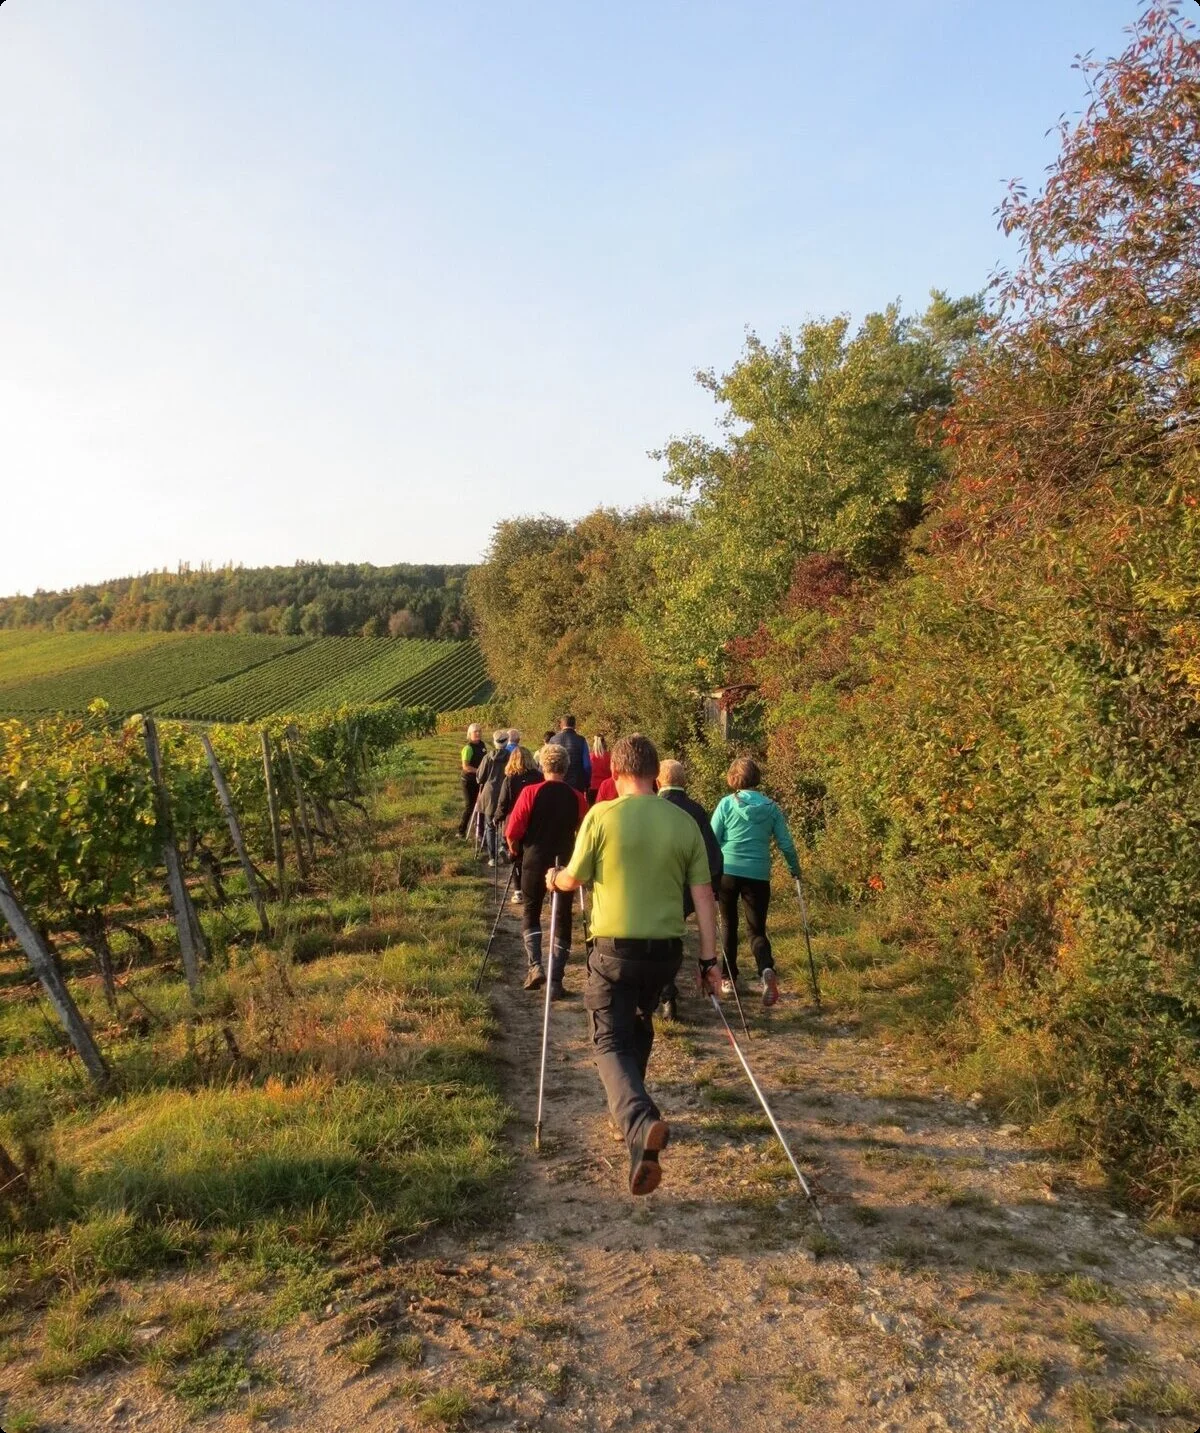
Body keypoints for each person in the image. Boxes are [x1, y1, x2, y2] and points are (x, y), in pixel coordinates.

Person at [549, 734, 720, 1196]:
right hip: (665, 953)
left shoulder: (601, 815)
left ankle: (640, 1120)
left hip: (614, 951)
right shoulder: (683, 822)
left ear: (617, 773)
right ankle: (634, 1135)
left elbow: (574, 877)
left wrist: (554, 878)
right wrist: (710, 960)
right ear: (654, 775)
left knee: (608, 1040)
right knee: (640, 1024)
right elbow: (704, 896)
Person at [710, 756, 801, 1008]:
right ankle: (766, 968)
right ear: (756, 778)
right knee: (757, 929)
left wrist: (710, 870)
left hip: (728, 872)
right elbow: (786, 843)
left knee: (729, 924)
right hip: (758, 874)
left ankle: (728, 978)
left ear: (733, 778)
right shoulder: (771, 807)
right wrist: (795, 869)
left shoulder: (726, 804)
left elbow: (712, 838)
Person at [506, 745, 587, 997]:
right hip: (564, 862)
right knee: (562, 916)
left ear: (542, 766)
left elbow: (513, 831)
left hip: (534, 858)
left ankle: (535, 966)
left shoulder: (530, 792)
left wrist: (516, 851)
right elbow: (584, 832)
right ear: (566, 767)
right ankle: (556, 979)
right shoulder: (577, 797)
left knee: (531, 910)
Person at [656, 758, 723, 1021]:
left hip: (661, 884)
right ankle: (667, 993)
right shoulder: (697, 811)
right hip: (689, 888)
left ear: (658, 781)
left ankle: (666, 994)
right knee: (674, 935)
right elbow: (713, 856)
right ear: (684, 781)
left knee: (662, 939)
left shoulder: (654, 808)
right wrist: (713, 889)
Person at [496, 746, 543, 903]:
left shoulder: (510, 779)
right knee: (532, 855)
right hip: (534, 821)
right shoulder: (539, 777)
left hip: (514, 821)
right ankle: (533, 888)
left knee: (516, 856)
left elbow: (503, 803)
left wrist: (497, 817)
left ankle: (518, 891)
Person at [474, 730, 511, 864]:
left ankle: (492, 857)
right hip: (506, 791)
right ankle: (503, 846)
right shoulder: (512, 757)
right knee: (505, 822)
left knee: (490, 825)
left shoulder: (488, 757)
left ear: (494, 742)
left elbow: (480, 778)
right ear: (507, 742)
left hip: (489, 794)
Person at [550, 715, 591, 794]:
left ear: (561, 725)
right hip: (577, 784)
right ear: (574, 725)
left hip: (557, 782)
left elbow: (548, 763)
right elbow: (587, 766)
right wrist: (587, 783)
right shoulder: (581, 740)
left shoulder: (553, 740)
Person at [458, 723, 487, 839]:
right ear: (470, 734)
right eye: (475, 732)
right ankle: (461, 831)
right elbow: (466, 767)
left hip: (479, 780)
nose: (478, 733)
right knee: (470, 806)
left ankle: (479, 831)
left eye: (479, 731)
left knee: (480, 805)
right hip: (468, 780)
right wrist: (479, 771)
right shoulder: (468, 748)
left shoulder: (482, 745)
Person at [588, 734, 612, 806]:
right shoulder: (609, 756)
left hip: (592, 788)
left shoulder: (590, 757)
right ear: (604, 743)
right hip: (606, 788)